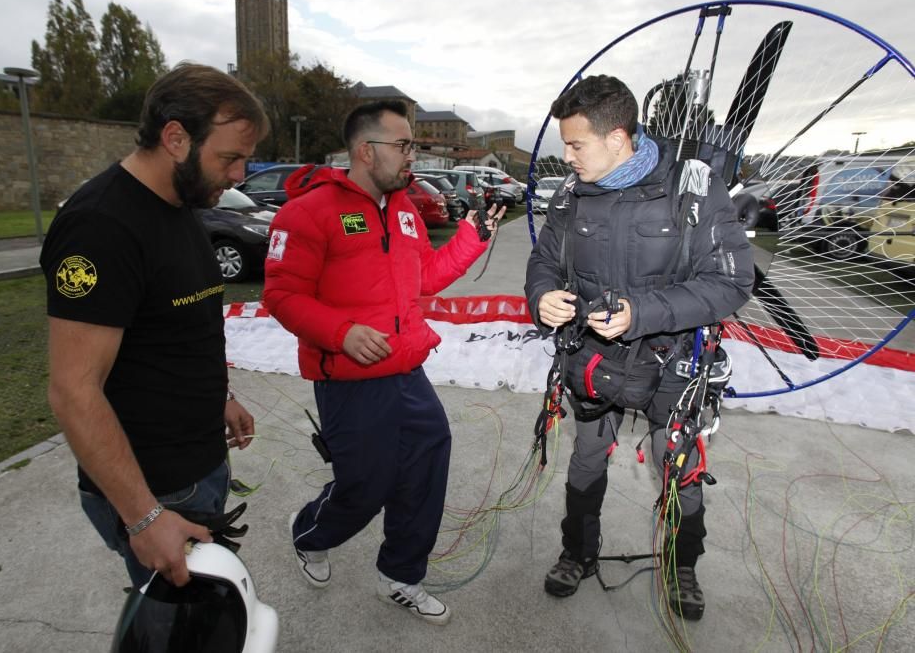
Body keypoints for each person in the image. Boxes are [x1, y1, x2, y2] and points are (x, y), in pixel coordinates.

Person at [262, 99, 504, 625]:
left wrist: (473, 237)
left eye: (413, 144)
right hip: (349, 382)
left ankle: (401, 575)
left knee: (425, 466)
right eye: (404, 145)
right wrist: (341, 334)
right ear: (366, 151)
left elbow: (426, 277)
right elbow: (281, 295)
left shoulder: (404, 209)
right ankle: (309, 533)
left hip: (407, 372)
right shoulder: (309, 212)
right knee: (364, 486)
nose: (412, 155)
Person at [524, 75, 753, 620]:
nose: (568, 156)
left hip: (671, 365)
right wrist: (542, 296)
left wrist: (641, 314)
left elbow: (731, 282)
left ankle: (682, 567)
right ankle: (576, 552)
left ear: (618, 139)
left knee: (680, 471)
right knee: (584, 461)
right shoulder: (571, 194)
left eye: (576, 144)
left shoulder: (692, 187)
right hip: (591, 361)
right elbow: (544, 261)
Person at [41, 62, 269, 588]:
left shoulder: (181, 204)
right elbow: (73, 390)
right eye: (230, 158)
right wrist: (143, 517)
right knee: (179, 631)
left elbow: (178, 325)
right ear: (175, 138)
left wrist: (220, 395)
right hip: (155, 488)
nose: (239, 176)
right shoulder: (100, 226)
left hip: (198, 461)